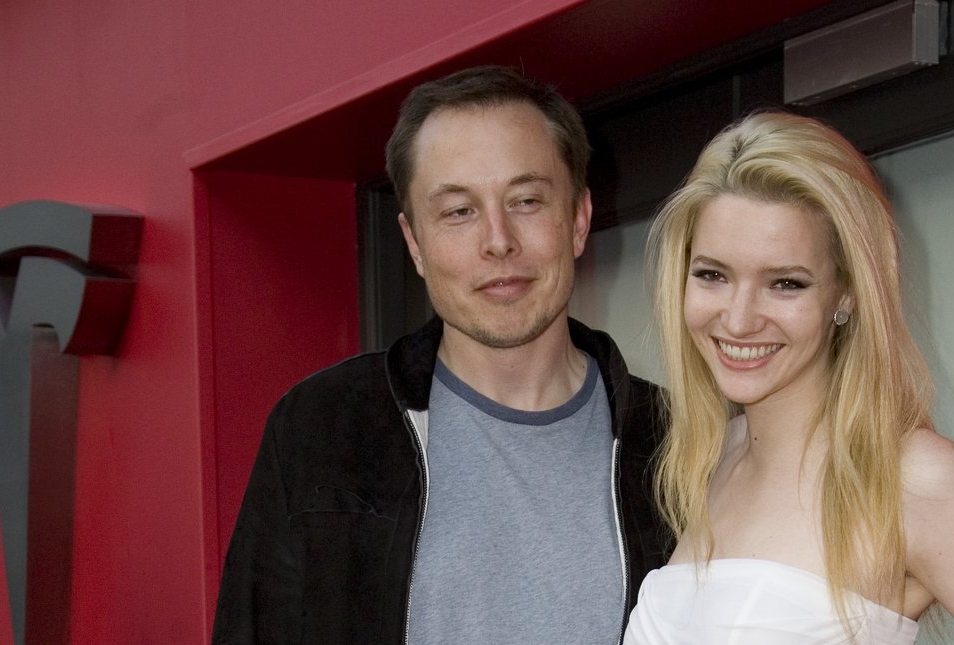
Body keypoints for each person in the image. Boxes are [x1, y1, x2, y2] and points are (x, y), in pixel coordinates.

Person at [212, 65, 669, 644]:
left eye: (526, 200)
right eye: (458, 211)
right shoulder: (323, 427)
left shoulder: (675, 443)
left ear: (578, 219)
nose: (498, 240)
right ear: (414, 243)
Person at [624, 112, 954, 644]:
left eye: (785, 283)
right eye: (712, 275)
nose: (740, 319)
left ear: (847, 292)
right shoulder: (706, 463)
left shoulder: (916, 480)